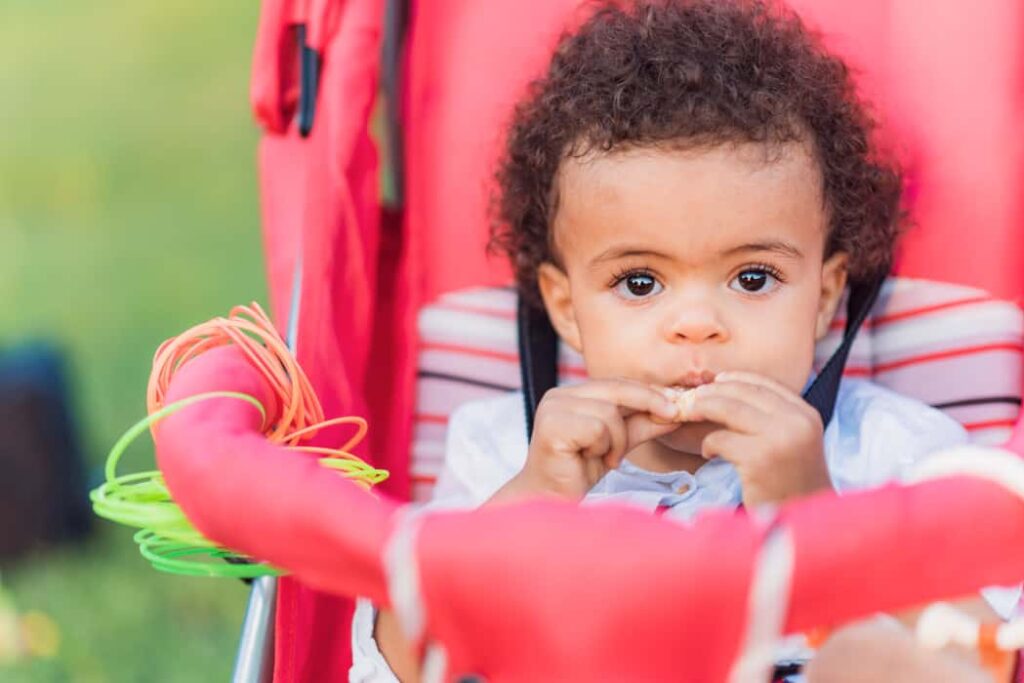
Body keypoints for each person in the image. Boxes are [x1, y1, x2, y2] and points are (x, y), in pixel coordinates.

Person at [351, 1, 1018, 679]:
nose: (696, 323)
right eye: (640, 283)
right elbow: (397, 662)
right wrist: (537, 492)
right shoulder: (505, 450)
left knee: (870, 659)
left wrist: (817, 516)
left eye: (753, 277)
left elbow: (988, 658)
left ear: (823, 297)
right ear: (566, 307)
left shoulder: (894, 455)